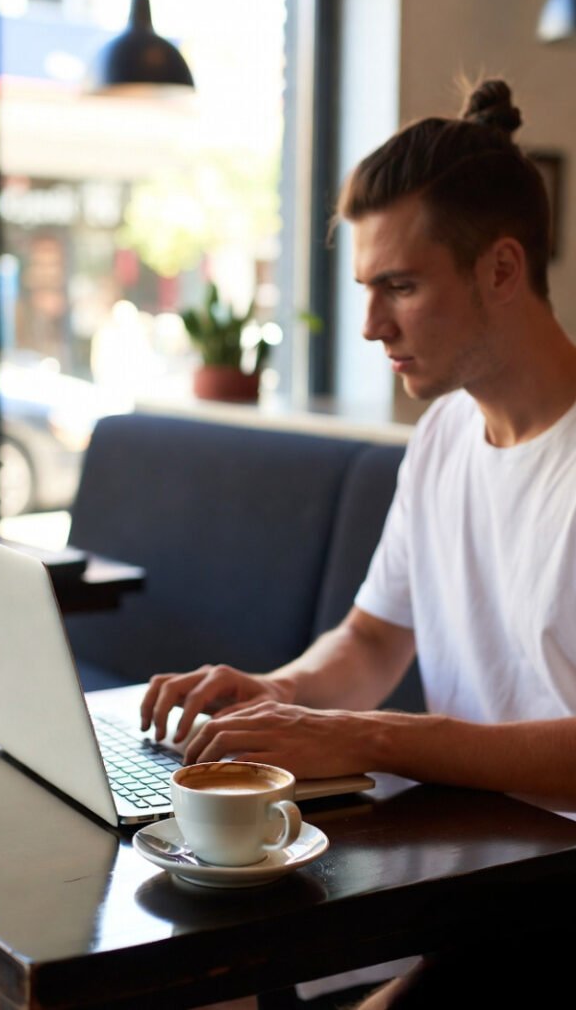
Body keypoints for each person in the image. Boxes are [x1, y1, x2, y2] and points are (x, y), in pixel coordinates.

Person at [140, 79, 576, 1007]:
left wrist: (359, 734)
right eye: (368, 290)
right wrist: (281, 694)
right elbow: (376, 638)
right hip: (484, 891)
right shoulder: (446, 436)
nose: (373, 325)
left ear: (502, 269)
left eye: (401, 287)